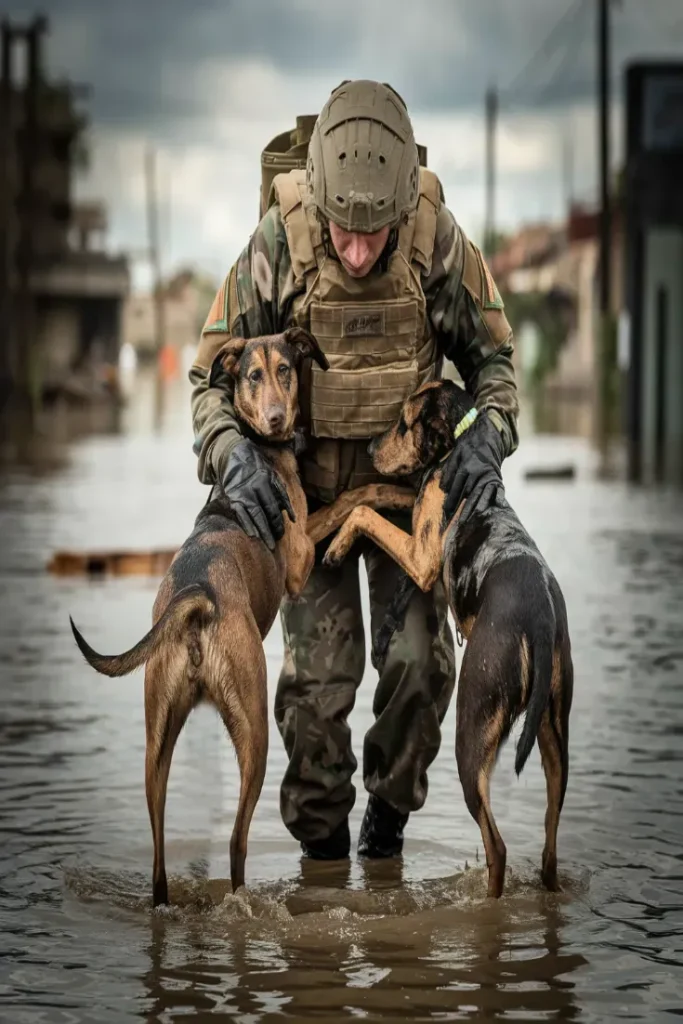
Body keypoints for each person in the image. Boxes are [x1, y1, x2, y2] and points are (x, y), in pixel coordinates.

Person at [189, 79, 519, 861]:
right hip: (311, 504)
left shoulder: (435, 240)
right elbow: (209, 376)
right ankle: (321, 869)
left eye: (376, 235)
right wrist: (230, 452)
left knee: (421, 673)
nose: (359, 250)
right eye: (345, 232)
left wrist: (486, 435)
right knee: (313, 697)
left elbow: (495, 362)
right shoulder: (282, 241)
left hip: (408, 503)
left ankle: (387, 832)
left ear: (402, 206)